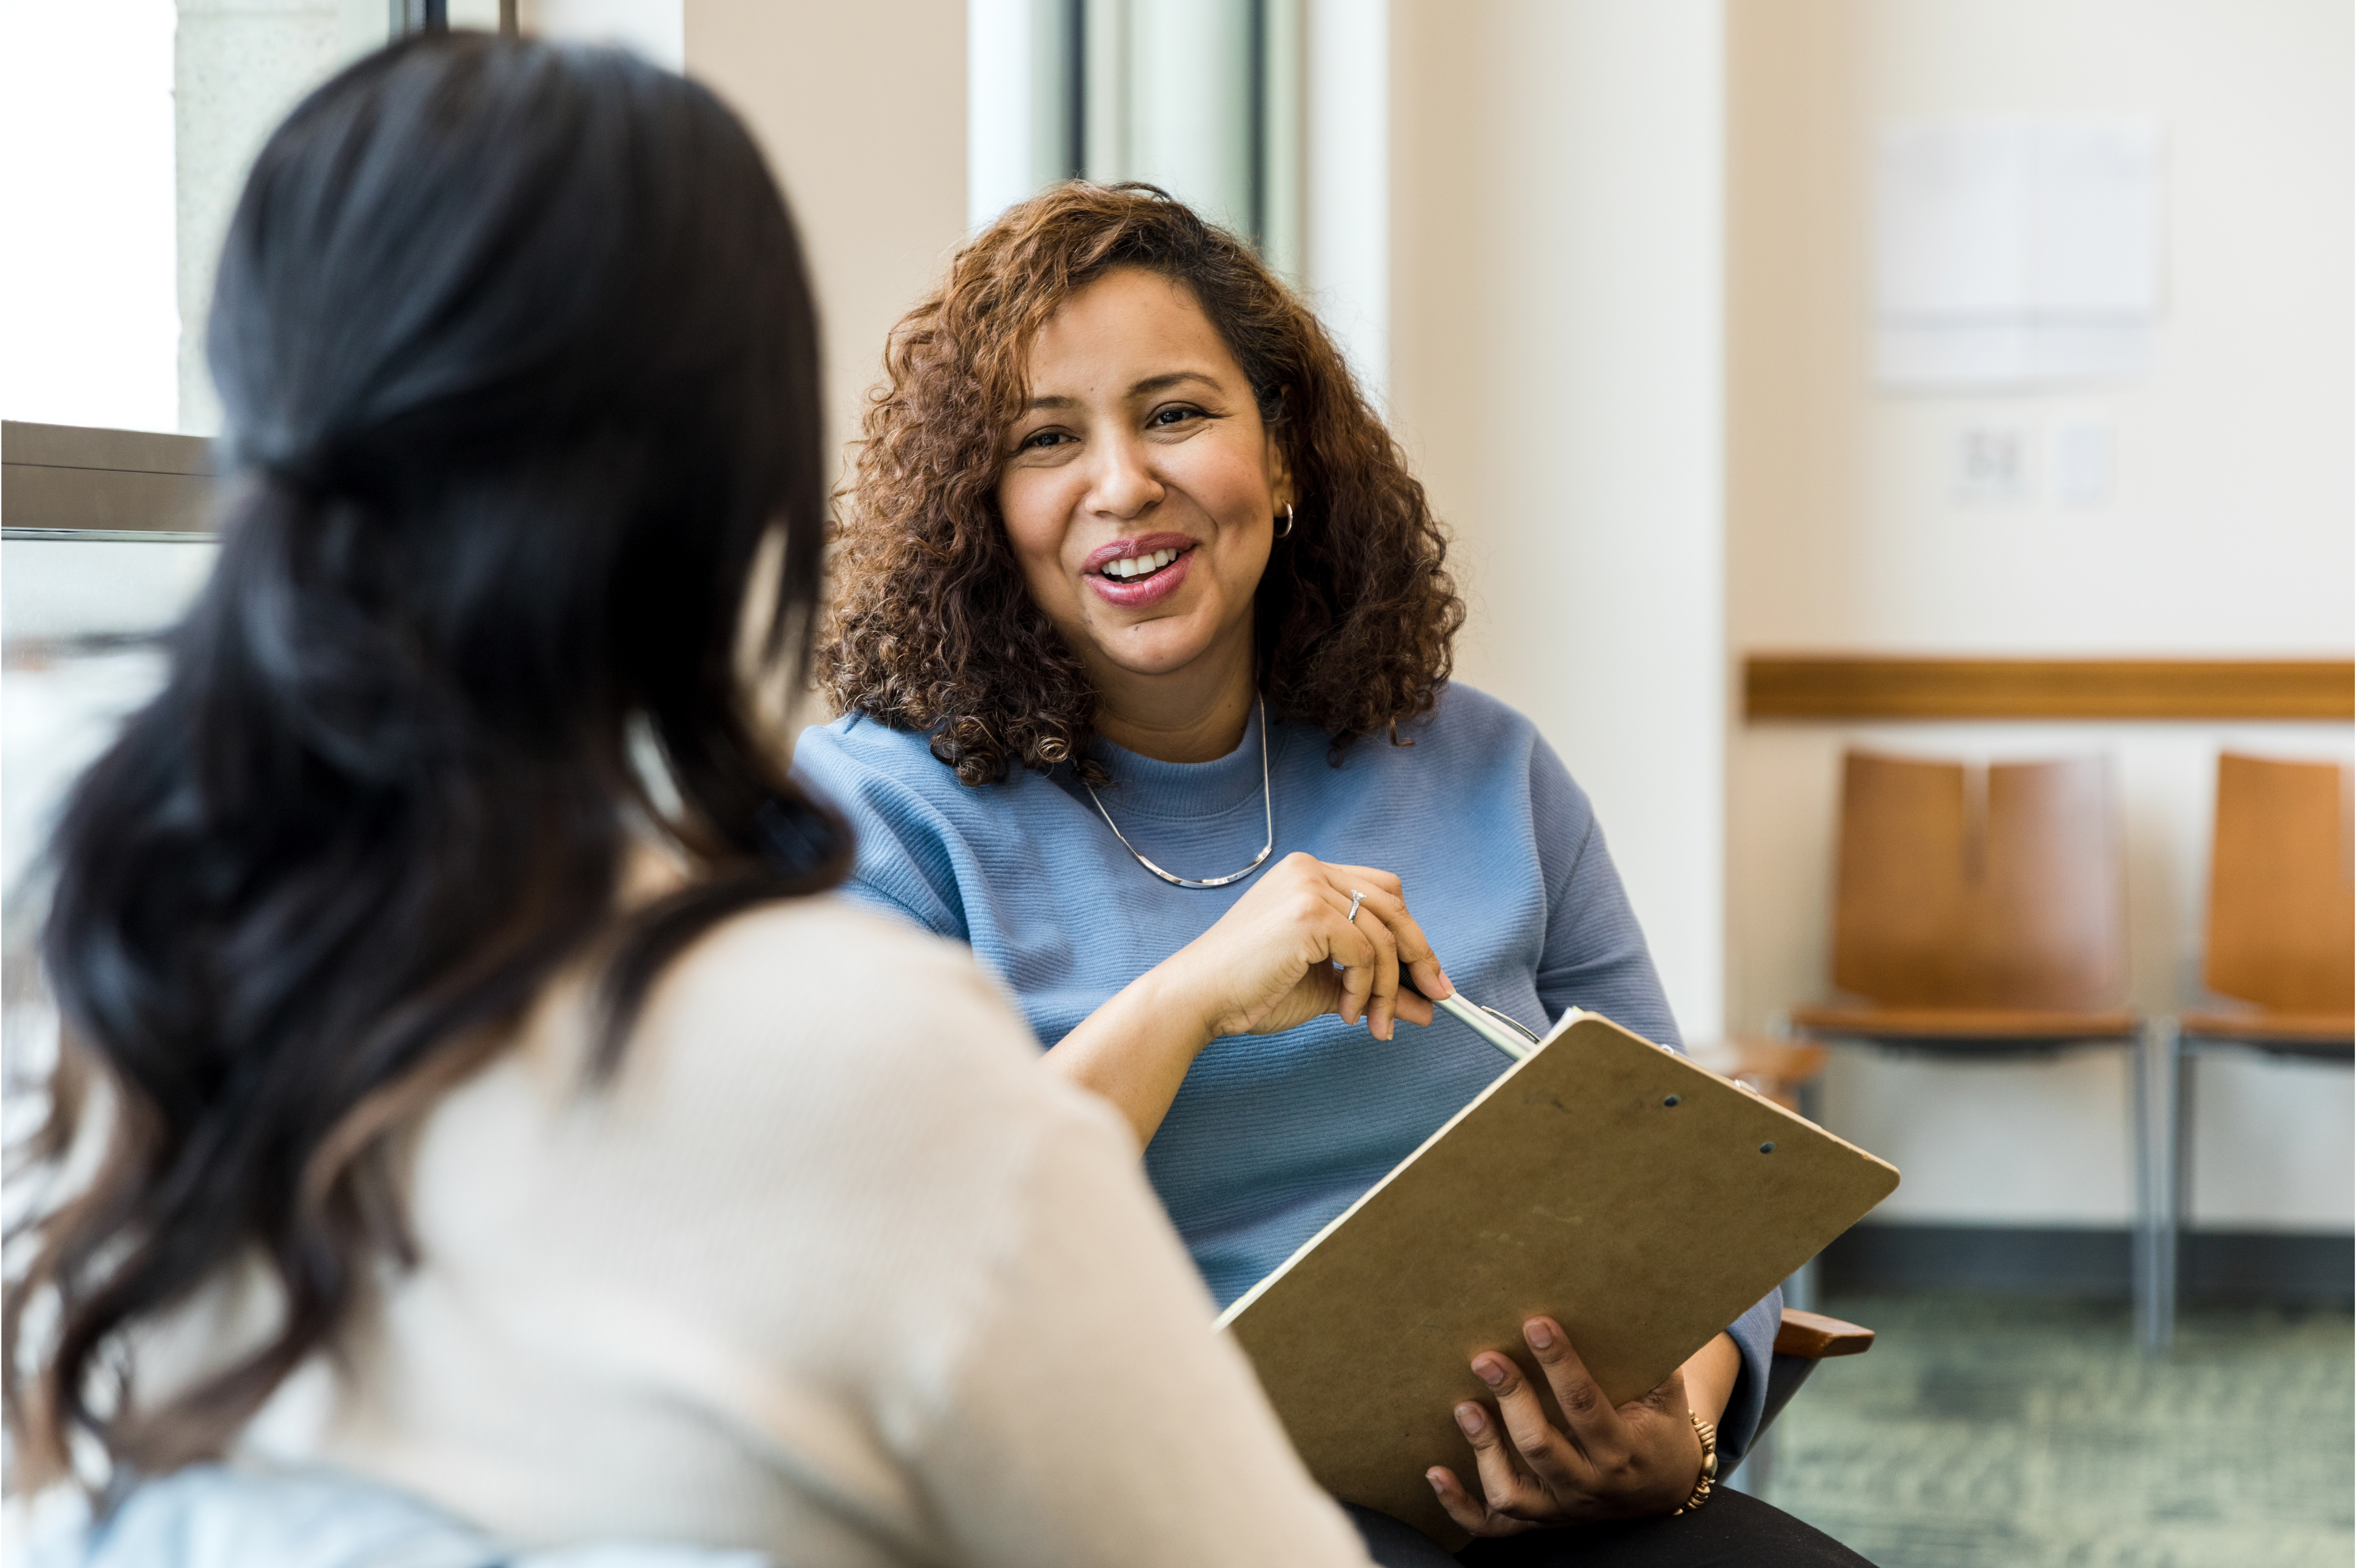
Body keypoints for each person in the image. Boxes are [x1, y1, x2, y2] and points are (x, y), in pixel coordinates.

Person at [2, 40, 1382, 1568]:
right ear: (744, 494)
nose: (1117, 485)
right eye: (1044, 439)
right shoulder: (876, 1052)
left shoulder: (84, 958)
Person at [798, 182, 1875, 1567]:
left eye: (1178, 413)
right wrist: (1185, 1002)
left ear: (1287, 452)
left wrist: (1678, 1441)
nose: (1123, 483)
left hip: (1539, 1495)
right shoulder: (875, 817)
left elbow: (1698, 1177)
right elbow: (898, 1251)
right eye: (1046, 441)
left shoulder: (1490, 768)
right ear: (981, 508)